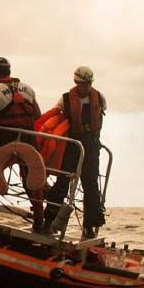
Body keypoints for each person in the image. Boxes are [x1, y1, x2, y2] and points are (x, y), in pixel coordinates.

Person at [0, 57, 45, 230]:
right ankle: (39, 217)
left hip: (4, 139)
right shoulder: (28, 88)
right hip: (28, 139)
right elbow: (38, 115)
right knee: (31, 176)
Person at [41, 66, 107, 239]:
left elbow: (100, 120)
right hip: (72, 147)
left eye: (88, 83)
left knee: (91, 186)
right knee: (62, 183)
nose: (86, 87)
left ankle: (89, 227)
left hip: (91, 147)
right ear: (76, 82)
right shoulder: (65, 100)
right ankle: (48, 221)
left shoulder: (99, 98)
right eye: (82, 83)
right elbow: (54, 116)